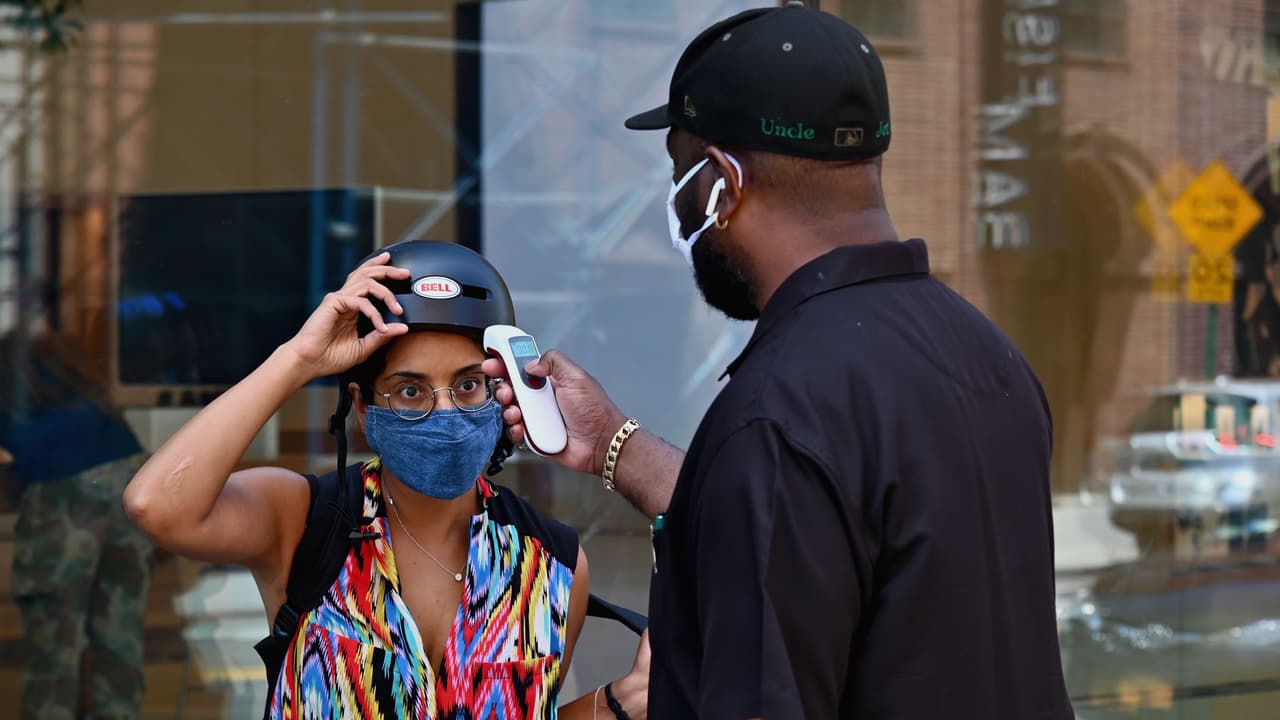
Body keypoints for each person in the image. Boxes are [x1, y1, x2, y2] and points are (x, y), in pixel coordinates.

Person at [484, 5, 1074, 719]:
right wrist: (616, 442)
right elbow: (838, 519)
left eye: (679, 172)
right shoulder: (990, 358)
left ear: (721, 181)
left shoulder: (778, 410)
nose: (674, 206)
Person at [123, 240, 648, 719]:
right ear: (361, 405)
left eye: (468, 385)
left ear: (502, 391)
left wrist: (622, 702)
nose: (446, 412)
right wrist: (300, 359)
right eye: (411, 391)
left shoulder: (552, 561)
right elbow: (157, 506)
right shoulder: (305, 521)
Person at [0, 328, 153, 720]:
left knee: (55, 646)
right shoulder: (68, 371)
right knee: (119, 637)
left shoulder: (9, 375)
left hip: (66, 493)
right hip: (130, 480)